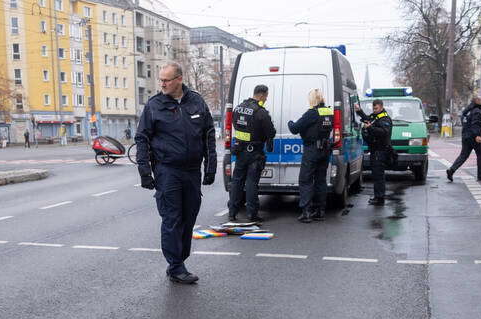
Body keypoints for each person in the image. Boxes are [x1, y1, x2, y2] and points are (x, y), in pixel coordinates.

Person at [135, 62, 217, 285]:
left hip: (192, 172)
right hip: (167, 171)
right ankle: (176, 265)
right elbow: (142, 139)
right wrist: (145, 172)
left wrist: (210, 168)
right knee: (172, 218)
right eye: (161, 80)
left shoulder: (197, 101)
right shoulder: (154, 105)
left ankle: (180, 259)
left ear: (179, 79)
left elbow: (208, 135)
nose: (162, 84)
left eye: (166, 80)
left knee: (189, 217)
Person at [227, 85, 276, 223]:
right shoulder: (261, 112)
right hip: (254, 152)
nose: (266, 99)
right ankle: (252, 214)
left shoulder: (238, 108)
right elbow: (271, 132)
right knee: (251, 183)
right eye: (266, 96)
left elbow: (235, 126)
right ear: (261, 95)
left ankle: (232, 213)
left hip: (240, 151)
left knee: (237, 182)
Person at [288, 88, 333, 222]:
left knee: (305, 180)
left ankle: (306, 212)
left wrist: (290, 122)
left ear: (312, 99)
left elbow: (294, 129)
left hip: (312, 149)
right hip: (325, 150)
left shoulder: (311, 113)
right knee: (320, 180)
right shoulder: (328, 112)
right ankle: (319, 211)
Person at [355, 99, 393, 206]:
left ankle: (379, 197)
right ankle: (378, 196)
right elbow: (367, 119)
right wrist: (359, 111)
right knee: (376, 175)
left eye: (376, 108)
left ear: (381, 107)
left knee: (378, 175)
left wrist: (370, 128)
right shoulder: (375, 116)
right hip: (375, 150)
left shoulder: (385, 119)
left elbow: (383, 133)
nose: (374, 110)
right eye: (373, 108)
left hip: (380, 151)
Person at [446, 96, 481, 182]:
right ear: (477, 101)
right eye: (480, 100)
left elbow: (465, 122)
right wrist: (477, 135)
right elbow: (476, 123)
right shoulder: (477, 111)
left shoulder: (467, 111)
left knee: (463, 155)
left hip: (465, 136)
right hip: (474, 136)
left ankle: (451, 170)